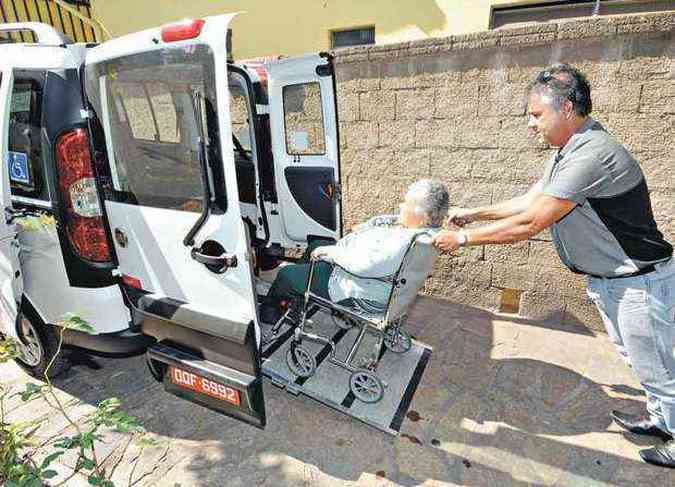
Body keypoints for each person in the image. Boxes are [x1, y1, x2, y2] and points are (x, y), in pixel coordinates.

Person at [432, 63, 675, 468]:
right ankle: (660, 418)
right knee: (641, 361)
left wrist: (461, 239)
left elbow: (532, 221)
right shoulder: (569, 151)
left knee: (662, 367)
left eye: (536, 114)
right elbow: (530, 201)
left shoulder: (593, 154)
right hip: (615, 283)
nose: (531, 124)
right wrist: (474, 214)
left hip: (639, 282)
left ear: (565, 107)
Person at [262, 179, 449, 321]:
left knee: (287, 274)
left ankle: (270, 311)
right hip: (368, 282)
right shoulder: (427, 233)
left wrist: (332, 253)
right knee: (316, 245)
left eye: (406, 204)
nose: (401, 206)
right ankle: (300, 294)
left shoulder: (405, 241)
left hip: (356, 288)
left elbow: (363, 265)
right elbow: (385, 233)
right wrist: (371, 226)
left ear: (423, 216)